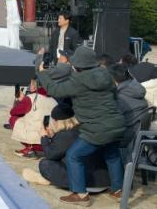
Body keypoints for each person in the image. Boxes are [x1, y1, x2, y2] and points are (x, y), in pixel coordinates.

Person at [37, 46, 126, 206]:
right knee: (112, 155)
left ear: (78, 65)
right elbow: (114, 93)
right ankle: (118, 190)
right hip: (116, 124)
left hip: (96, 128)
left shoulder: (78, 81)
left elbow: (53, 89)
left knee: (73, 155)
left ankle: (80, 194)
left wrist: (42, 72)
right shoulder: (106, 74)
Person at [21, 103, 111, 190]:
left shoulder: (66, 135)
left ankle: (50, 180)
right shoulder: (82, 129)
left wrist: (44, 137)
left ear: (57, 121)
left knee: (45, 164)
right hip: (103, 181)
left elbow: (50, 155)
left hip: (86, 184)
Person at [10, 78, 57, 158]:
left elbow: (13, 112)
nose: (29, 86)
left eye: (31, 84)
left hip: (37, 138)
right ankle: (39, 149)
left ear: (35, 87)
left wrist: (20, 100)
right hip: (51, 137)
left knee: (13, 119)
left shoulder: (30, 98)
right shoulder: (54, 99)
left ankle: (30, 147)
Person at [107, 62, 148, 152]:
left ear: (113, 80)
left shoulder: (121, 98)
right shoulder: (135, 89)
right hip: (137, 134)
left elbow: (109, 121)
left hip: (125, 137)